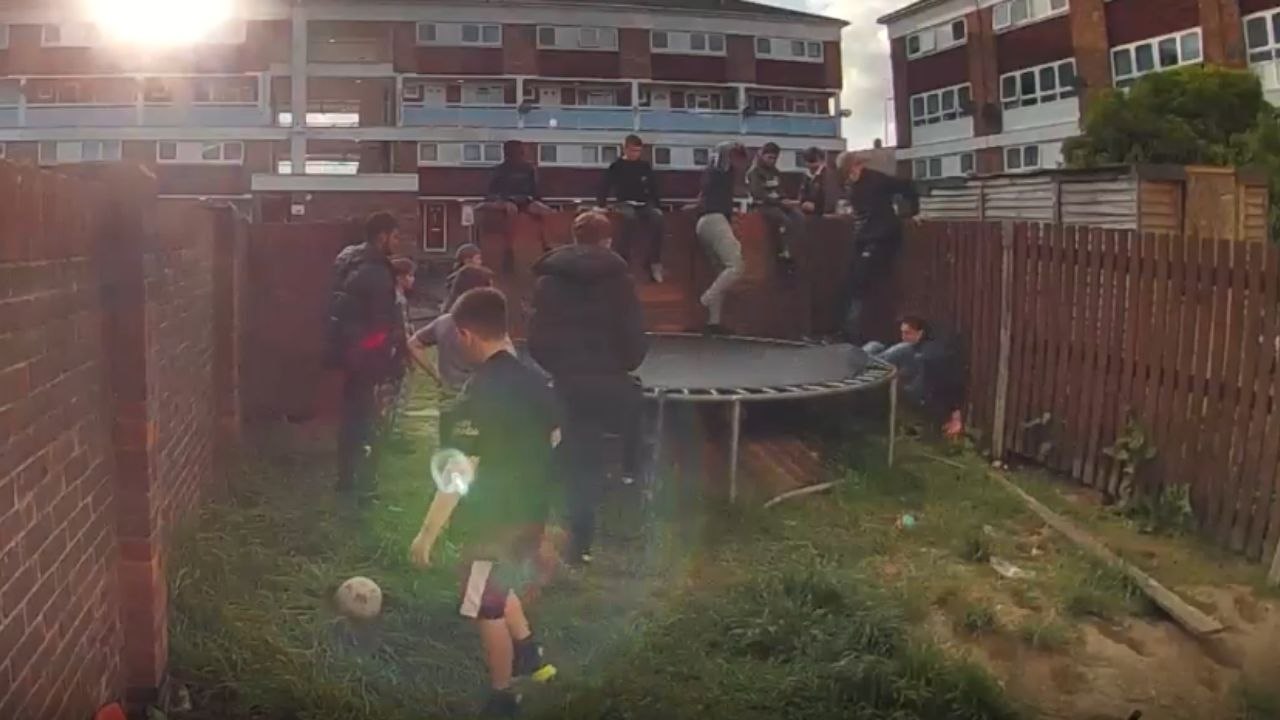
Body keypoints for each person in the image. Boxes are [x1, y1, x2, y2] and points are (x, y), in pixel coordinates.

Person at [409, 287, 561, 719]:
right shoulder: (534, 377)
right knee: (501, 581)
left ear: (464, 334)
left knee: (484, 607)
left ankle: (502, 696)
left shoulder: (481, 392)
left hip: (493, 522)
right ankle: (530, 654)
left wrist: (426, 535)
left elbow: (460, 473)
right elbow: (554, 436)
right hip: (532, 512)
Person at [528, 210, 648, 566]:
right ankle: (628, 499)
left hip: (568, 382)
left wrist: (560, 366)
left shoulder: (548, 282)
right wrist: (621, 365)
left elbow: (536, 338)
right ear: (607, 240)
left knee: (575, 456)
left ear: (575, 238)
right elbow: (634, 336)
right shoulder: (621, 281)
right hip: (610, 382)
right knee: (620, 442)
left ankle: (564, 539)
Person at [325, 212, 404, 503]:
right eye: (395, 236)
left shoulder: (347, 260)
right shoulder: (376, 273)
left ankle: (346, 481)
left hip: (346, 353)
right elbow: (380, 325)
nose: (398, 243)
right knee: (367, 422)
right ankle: (363, 487)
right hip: (365, 358)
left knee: (351, 420)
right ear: (381, 236)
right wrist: (384, 354)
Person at [408, 265, 500, 444]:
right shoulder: (490, 327)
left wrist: (435, 375)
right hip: (482, 403)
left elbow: (413, 344)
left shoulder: (443, 323)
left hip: (449, 403)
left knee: (449, 456)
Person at [837, 151, 919, 343]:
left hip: (881, 236)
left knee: (861, 282)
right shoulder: (850, 184)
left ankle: (854, 334)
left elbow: (907, 186)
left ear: (856, 165)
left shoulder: (875, 179)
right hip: (864, 236)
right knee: (853, 281)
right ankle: (852, 331)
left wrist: (911, 213)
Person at [863, 316, 965, 439]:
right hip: (909, 384)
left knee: (898, 350)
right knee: (874, 346)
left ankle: (862, 362)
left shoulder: (928, 354)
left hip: (922, 396)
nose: (903, 337)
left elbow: (949, 382)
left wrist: (955, 415)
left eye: (907, 333)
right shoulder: (912, 347)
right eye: (902, 332)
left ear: (920, 333)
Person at [693, 141, 750, 335]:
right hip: (716, 220)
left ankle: (713, 322)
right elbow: (726, 156)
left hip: (703, 223)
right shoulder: (723, 172)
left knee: (720, 270)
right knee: (736, 266)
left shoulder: (709, 174)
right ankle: (706, 298)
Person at [597, 134, 665, 283]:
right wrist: (601, 204)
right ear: (625, 149)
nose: (636, 154)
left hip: (643, 203)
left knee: (657, 218)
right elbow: (604, 185)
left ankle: (654, 262)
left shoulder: (644, 166)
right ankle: (624, 260)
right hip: (624, 203)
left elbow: (653, 187)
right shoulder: (617, 166)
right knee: (629, 219)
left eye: (638, 151)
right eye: (633, 150)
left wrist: (658, 205)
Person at [745, 142, 801, 272]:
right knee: (783, 219)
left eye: (774, 158)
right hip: (762, 206)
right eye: (769, 157)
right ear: (762, 155)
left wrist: (785, 199)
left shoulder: (775, 172)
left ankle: (795, 247)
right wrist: (779, 202)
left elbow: (780, 189)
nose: (772, 161)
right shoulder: (755, 172)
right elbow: (758, 193)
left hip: (778, 203)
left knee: (798, 216)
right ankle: (783, 253)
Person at [485, 140, 553, 217]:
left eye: (520, 152)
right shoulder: (498, 170)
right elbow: (491, 194)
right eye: (514, 153)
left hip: (526, 202)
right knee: (510, 208)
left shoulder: (529, 170)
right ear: (506, 154)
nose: (520, 155)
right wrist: (503, 202)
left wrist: (537, 202)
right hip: (505, 202)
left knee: (543, 210)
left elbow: (535, 192)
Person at [441, 244, 484, 313]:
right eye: (477, 259)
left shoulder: (477, 277)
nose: (480, 262)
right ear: (467, 261)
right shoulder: (459, 280)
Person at [799, 147, 837, 216]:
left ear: (822, 161)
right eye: (807, 161)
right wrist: (803, 204)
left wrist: (816, 208)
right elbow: (802, 195)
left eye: (812, 160)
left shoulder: (828, 175)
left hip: (824, 217)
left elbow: (830, 200)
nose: (809, 164)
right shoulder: (806, 176)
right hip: (809, 215)